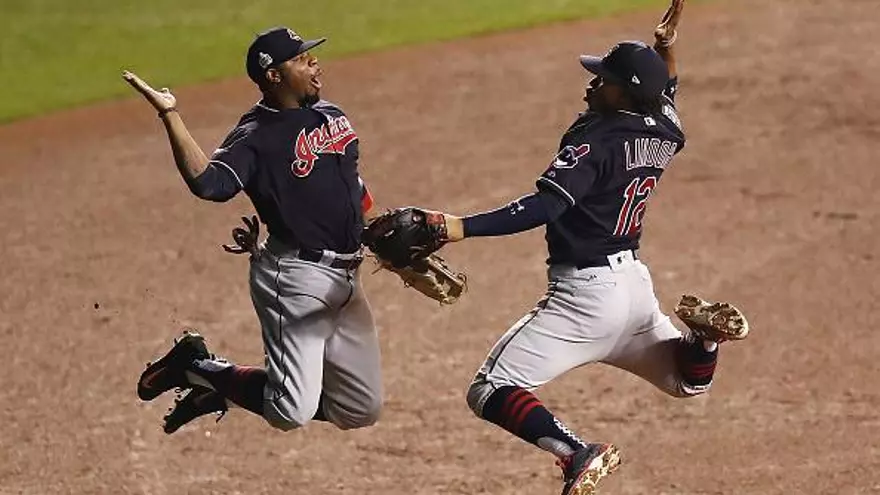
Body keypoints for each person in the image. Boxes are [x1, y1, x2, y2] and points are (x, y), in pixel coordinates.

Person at [419, 1, 749, 493]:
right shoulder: (664, 129)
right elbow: (666, 91)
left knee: (489, 388)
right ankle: (704, 339)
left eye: (605, 78)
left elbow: (543, 208)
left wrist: (455, 227)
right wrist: (666, 51)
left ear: (625, 93)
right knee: (688, 381)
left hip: (585, 299)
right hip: (633, 291)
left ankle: (577, 453)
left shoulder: (596, 141)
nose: (594, 83)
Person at [126, 26, 384, 435]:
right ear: (273, 75)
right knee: (290, 411)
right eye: (301, 59)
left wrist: (383, 239)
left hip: (347, 276)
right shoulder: (255, 137)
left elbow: (352, 187)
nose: (314, 63)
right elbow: (208, 182)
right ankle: (196, 366)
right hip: (297, 277)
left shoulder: (332, 116)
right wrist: (170, 113)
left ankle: (220, 389)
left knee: (359, 408)